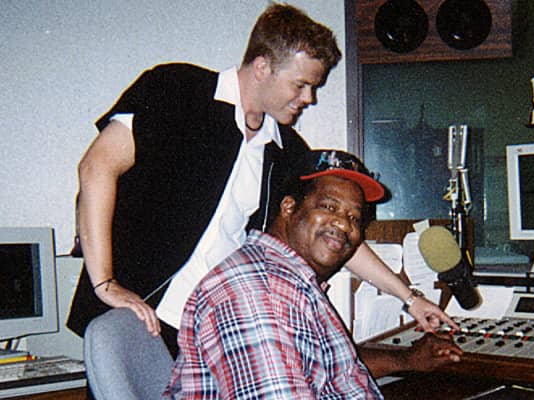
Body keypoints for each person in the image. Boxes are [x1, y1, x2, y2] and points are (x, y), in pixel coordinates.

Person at [67, 3, 455, 358]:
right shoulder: (177, 89)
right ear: (262, 67)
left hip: (209, 331)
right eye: (301, 84)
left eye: (315, 87)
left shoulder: (284, 148)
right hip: (139, 315)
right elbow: (96, 168)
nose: (310, 98)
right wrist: (105, 284)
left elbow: (335, 231)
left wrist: (409, 298)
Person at [164, 150, 462, 399]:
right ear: (289, 207)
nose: (344, 225)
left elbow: (327, 368)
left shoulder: (292, 281)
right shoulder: (258, 294)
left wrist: (405, 360)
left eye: (354, 217)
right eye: (329, 206)